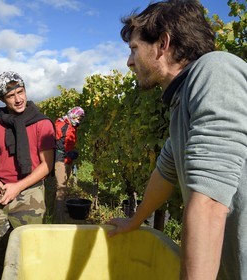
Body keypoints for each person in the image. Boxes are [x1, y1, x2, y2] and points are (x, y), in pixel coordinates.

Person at [107, 1, 247, 279]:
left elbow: (208, 202)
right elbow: (166, 171)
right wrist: (135, 221)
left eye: (134, 49)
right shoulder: (181, 105)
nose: (129, 61)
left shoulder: (215, 70)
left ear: (162, 43)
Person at [0, 71, 56, 278]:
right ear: (2, 99)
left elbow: (47, 166)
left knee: (30, 252)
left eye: (21, 92)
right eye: (11, 96)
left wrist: (18, 187)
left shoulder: (42, 124)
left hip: (30, 193)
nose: (18, 99)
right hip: (0, 191)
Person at [53, 107, 85, 223]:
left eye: (81, 119)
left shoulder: (72, 126)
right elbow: (55, 145)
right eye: (78, 117)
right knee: (61, 188)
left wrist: (70, 154)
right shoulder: (61, 125)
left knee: (62, 187)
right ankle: (58, 219)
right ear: (72, 115)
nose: (79, 120)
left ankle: (57, 212)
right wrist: (67, 154)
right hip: (60, 160)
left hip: (67, 161)